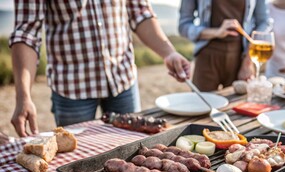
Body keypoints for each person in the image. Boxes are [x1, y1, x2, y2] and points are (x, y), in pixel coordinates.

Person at [10, 0, 190, 137]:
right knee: (78, 159)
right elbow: (27, 32)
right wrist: (23, 95)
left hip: (122, 79)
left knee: (132, 147)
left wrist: (169, 53)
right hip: (71, 88)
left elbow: (139, 12)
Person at [178, 0, 271, 91]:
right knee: (201, 104)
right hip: (206, 58)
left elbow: (264, 22)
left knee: (238, 104)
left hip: (240, 58)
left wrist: (248, 62)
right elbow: (183, 26)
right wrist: (216, 32)